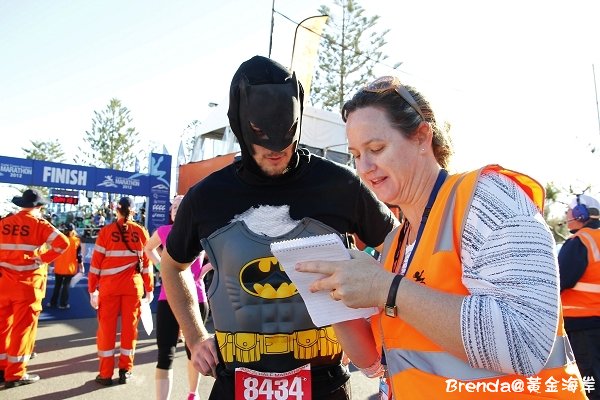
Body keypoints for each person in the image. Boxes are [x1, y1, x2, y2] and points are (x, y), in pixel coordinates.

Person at [294, 75, 589, 399]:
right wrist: (332, 297)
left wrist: (386, 289)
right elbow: (374, 362)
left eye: (376, 148)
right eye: (355, 154)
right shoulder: (396, 242)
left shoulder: (487, 200)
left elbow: (525, 343)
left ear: (422, 137)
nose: (364, 167)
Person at [160, 55, 397, 400]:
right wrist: (195, 336)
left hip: (323, 380)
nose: (276, 149)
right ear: (241, 124)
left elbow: (401, 248)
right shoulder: (208, 197)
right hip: (235, 379)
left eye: (286, 135)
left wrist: (371, 319)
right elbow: (173, 264)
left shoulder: (339, 186)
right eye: (261, 136)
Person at [0, 189, 69, 388]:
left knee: (2, 327)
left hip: (3, 283)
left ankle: (2, 367)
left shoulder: (4, 222)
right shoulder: (38, 225)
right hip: (27, 286)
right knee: (22, 329)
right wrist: (41, 259)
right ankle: (15, 374)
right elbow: (62, 243)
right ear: (39, 207)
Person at [144, 195, 209, 400]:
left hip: (197, 298)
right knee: (165, 354)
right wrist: (161, 267)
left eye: (179, 206)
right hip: (167, 298)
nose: (174, 209)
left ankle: (193, 393)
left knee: (195, 350)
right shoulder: (164, 231)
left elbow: (220, 254)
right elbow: (147, 248)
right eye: (172, 206)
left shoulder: (200, 232)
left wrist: (206, 269)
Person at [88, 196, 153, 386]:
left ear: (116, 210)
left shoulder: (106, 232)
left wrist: (93, 289)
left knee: (106, 330)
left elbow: (95, 265)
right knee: (129, 329)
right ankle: (126, 370)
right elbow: (147, 265)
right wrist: (149, 289)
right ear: (133, 211)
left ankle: (105, 374)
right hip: (133, 287)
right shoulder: (141, 231)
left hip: (108, 288)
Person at [558, 193, 600, 399]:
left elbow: (559, 280)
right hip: (595, 324)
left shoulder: (579, 242)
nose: (566, 216)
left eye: (568, 211)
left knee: (588, 383)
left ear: (579, 214)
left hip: (582, 327)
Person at [46, 223, 84, 309]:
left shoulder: (58, 240)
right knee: (66, 286)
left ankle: (53, 302)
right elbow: (79, 256)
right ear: (73, 231)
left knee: (57, 286)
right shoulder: (76, 241)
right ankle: (63, 304)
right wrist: (81, 267)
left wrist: (49, 265)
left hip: (59, 267)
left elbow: (53, 253)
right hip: (70, 269)